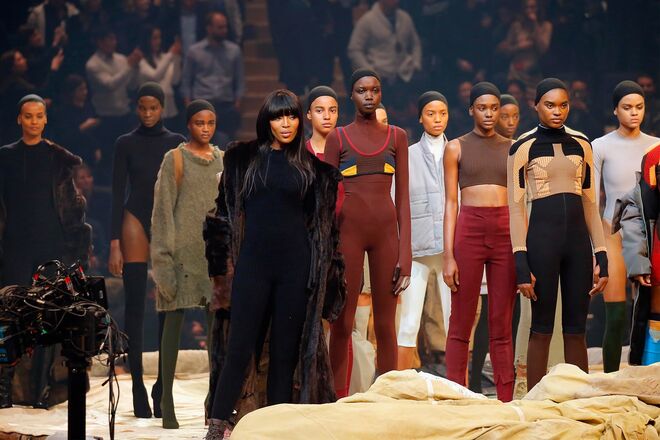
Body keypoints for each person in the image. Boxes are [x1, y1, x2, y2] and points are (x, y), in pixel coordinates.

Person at [203, 90, 345, 438]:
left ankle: (275, 429)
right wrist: (220, 273)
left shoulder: (313, 170)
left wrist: (327, 281)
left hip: (295, 269)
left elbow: (323, 231)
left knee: (284, 354)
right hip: (253, 267)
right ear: (266, 120)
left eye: (292, 116)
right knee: (238, 349)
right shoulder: (243, 159)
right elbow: (221, 218)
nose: (286, 123)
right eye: (279, 116)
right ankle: (218, 425)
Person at [508, 78, 608, 392]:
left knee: (577, 329)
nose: (557, 111)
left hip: (578, 247)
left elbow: (590, 203)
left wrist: (601, 254)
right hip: (541, 244)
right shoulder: (522, 147)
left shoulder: (582, 144)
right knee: (541, 328)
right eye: (550, 105)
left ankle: (581, 400)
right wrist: (520, 261)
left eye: (563, 105)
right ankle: (537, 402)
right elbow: (515, 208)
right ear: (535, 105)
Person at [325, 69, 411, 399]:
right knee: (343, 322)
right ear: (351, 95)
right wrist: (328, 251)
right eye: (362, 90)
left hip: (386, 236)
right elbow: (327, 200)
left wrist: (406, 253)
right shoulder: (338, 138)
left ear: (381, 94)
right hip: (347, 235)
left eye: (374, 90)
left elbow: (403, 198)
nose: (369, 96)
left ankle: (387, 398)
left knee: (386, 324)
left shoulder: (396, 137)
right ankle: (337, 397)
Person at [0, 94, 91, 408]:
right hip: (14, 247)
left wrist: (76, 250)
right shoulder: (5, 157)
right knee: (8, 318)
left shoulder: (58, 158)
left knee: (47, 318)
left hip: (51, 246)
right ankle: (4, 389)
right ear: (19, 119)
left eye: (39, 116)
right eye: (28, 116)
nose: (34, 121)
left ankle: (41, 390)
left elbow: (72, 208)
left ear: (46, 119)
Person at [108, 82, 186, 418]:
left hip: (167, 220)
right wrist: (114, 242)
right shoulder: (125, 143)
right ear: (136, 108)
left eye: (153, 107)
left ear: (163, 107)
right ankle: (137, 385)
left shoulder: (176, 142)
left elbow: (183, 192)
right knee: (135, 306)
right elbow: (117, 193)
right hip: (134, 218)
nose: (148, 113)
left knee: (169, 306)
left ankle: (161, 388)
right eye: (143, 107)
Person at [151, 99, 223, 429]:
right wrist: (162, 259)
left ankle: (214, 402)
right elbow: (163, 210)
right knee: (173, 324)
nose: (205, 129)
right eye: (199, 123)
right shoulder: (175, 159)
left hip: (213, 254)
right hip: (181, 255)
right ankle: (166, 400)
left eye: (210, 123)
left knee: (216, 333)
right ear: (188, 124)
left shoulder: (222, 159)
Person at [442, 82, 517, 402]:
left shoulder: (513, 148)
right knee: (461, 318)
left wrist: (523, 251)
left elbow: (519, 204)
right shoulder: (455, 147)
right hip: (469, 229)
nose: (489, 114)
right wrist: (448, 255)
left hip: (505, 230)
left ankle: (506, 398)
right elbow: (451, 203)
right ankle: (455, 395)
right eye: (482, 108)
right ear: (471, 109)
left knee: (501, 321)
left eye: (494, 108)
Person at [593, 80, 659, 372]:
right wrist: (595, 248)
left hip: (649, 235)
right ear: (615, 110)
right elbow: (592, 201)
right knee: (616, 315)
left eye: (639, 107)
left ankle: (645, 374)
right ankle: (610, 380)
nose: (634, 113)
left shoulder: (656, 146)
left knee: (647, 312)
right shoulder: (600, 146)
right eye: (627, 107)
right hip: (613, 233)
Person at [397, 91, 451, 370]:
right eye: (431, 114)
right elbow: (397, 201)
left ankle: (459, 382)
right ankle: (400, 383)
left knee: (454, 322)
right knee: (409, 322)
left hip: (450, 251)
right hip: (417, 250)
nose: (437, 119)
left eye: (442, 113)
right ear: (420, 118)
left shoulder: (457, 151)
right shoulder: (407, 156)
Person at [613, 140, 660, 367]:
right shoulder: (654, 156)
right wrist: (638, 262)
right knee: (654, 310)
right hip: (657, 254)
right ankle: (651, 372)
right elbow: (635, 216)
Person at [347, 0, 422, 117]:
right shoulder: (368, 20)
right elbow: (354, 49)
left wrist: (416, 64)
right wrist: (370, 72)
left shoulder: (405, 18)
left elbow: (415, 43)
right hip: (380, 77)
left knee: (407, 117)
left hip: (404, 75)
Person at [85, 27, 141, 181]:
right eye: (109, 39)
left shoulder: (121, 59)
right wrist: (129, 66)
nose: (113, 42)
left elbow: (131, 85)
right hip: (105, 117)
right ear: (100, 42)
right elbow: (110, 85)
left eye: (114, 39)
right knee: (109, 157)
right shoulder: (92, 64)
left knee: (127, 154)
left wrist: (135, 68)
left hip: (124, 113)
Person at [181, 10, 244, 140]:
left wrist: (237, 103)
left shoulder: (234, 51)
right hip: (202, 104)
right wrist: (188, 106)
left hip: (226, 105)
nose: (224, 30)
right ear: (209, 28)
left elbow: (239, 80)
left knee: (227, 144)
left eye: (225, 27)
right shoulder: (194, 51)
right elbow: (187, 81)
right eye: (220, 27)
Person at [138, 26, 183, 123]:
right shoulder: (141, 61)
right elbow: (155, 76)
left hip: (169, 109)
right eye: (155, 38)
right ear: (147, 40)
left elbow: (175, 80)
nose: (158, 41)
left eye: (159, 38)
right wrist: (171, 54)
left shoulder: (164, 57)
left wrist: (176, 57)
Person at [305, 85, 339, 160]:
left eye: (332, 111)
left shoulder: (347, 153)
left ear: (337, 114)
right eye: (319, 111)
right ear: (309, 114)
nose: (327, 116)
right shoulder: (300, 155)